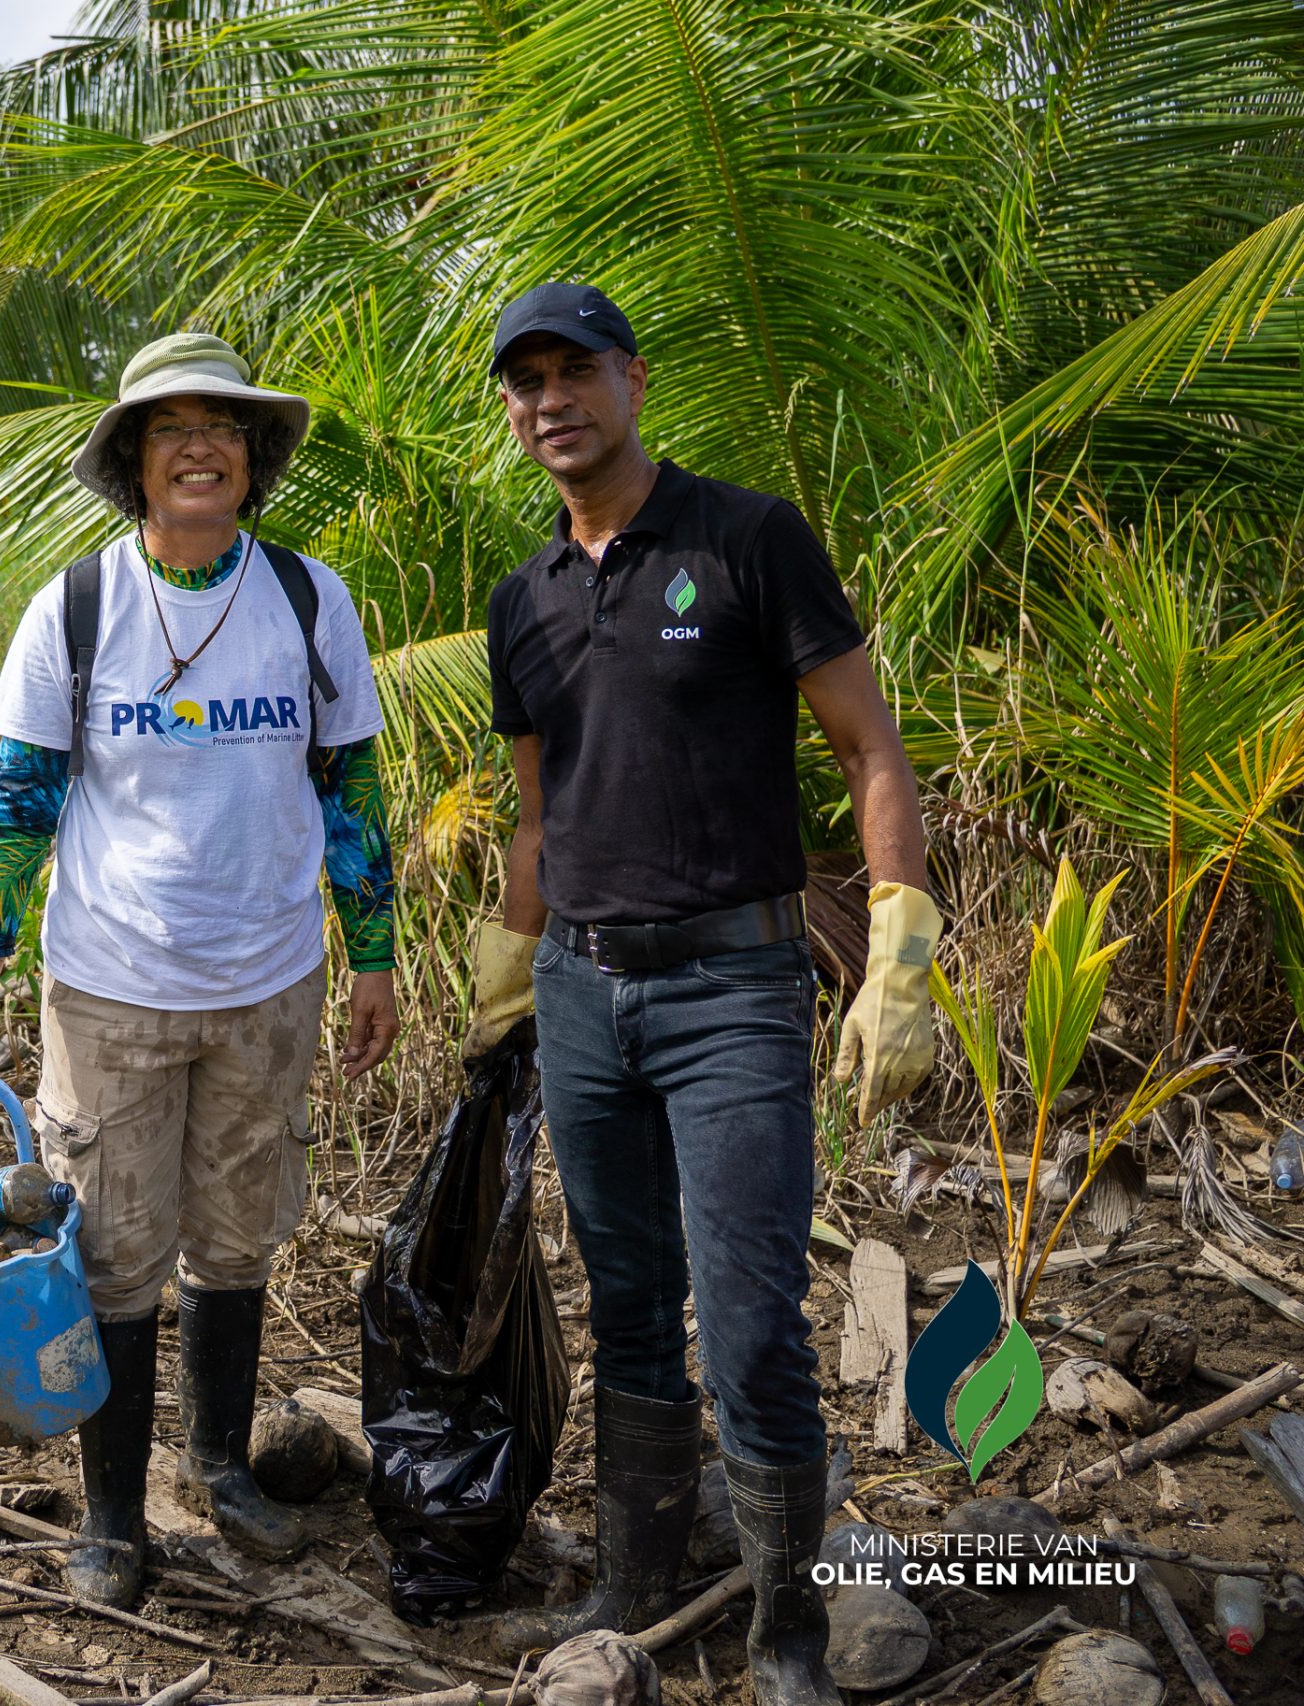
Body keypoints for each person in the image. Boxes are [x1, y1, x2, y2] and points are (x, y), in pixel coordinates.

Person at [465, 285, 936, 1706]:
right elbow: (537, 812)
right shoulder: (522, 600)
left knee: (748, 1326)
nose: (552, 400)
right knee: (626, 1303)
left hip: (731, 985)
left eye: (576, 370)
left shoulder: (745, 538)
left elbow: (868, 746)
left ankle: (786, 1635)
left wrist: (901, 943)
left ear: (633, 380)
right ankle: (634, 1585)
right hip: (580, 991)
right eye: (527, 382)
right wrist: (508, 964)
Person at [0, 331, 402, 1608]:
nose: (198, 447)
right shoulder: (75, 606)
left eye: (222, 425)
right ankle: (115, 1512)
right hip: (111, 988)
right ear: (132, 460)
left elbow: (350, 789)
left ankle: (221, 1464)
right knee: (116, 1253)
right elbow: (15, 811)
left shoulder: (309, 600)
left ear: (253, 456)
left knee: (236, 1242)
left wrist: (374, 957)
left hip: (268, 982)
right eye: (169, 427)